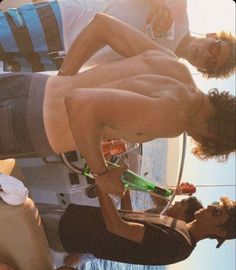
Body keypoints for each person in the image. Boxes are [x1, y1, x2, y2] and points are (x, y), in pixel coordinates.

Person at [0, 14, 235, 196]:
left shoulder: (175, 67)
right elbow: (83, 105)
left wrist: (64, 79)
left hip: (30, 85)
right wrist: (102, 173)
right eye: (203, 143)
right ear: (213, 135)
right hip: (26, 127)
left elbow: (102, 26)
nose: (194, 138)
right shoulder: (176, 118)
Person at [0, 0, 235, 79]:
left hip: (64, 60)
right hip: (63, 20)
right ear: (212, 36)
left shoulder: (163, 69)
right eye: (215, 48)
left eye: (211, 62)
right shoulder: (178, 7)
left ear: (203, 69)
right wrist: (158, 2)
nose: (206, 54)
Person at [41, 195, 236, 266]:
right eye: (215, 204)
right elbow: (129, 218)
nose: (211, 207)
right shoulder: (181, 230)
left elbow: (116, 227)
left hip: (70, 231)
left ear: (220, 232)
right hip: (73, 219)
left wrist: (101, 181)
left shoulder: (178, 243)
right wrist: (123, 189)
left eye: (217, 212)